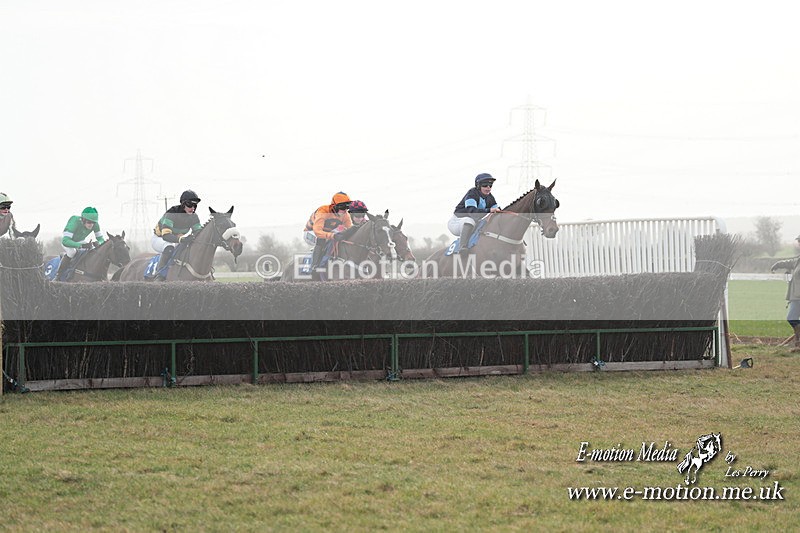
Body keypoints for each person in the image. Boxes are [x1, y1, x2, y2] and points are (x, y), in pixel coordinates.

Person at [152, 190, 203, 275]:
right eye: (190, 205)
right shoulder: (172, 213)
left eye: (194, 205)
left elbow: (198, 232)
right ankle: (159, 274)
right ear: (183, 204)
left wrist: (193, 236)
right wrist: (182, 239)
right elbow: (166, 236)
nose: (192, 208)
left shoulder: (194, 217)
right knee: (169, 248)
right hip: (160, 238)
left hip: (175, 240)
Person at [448, 173, 501, 253]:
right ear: (478, 186)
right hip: (457, 222)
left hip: (473, 221)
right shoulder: (472, 194)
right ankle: (462, 247)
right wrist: (489, 210)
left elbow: (497, 211)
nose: (488, 188)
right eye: (485, 185)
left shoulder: (490, 197)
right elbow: (473, 214)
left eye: (490, 185)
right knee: (470, 221)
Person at [56, 207, 106, 279]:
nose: (91, 225)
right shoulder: (74, 221)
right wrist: (81, 245)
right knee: (72, 253)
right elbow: (65, 241)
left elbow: (101, 239)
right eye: (89, 222)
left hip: (80, 241)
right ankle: (58, 275)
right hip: (68, 241)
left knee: (92, 250)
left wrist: (98, 243)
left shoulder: (95, 225)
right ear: (83, 220)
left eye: (93, 222)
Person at [307, 192, 352, 270]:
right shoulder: (323, 211)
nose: (345, 210)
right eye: (342, 208)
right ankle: (314, 266)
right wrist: (332, 236)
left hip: (327, 231)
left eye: (347, 207)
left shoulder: (345, 215)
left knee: (341, 236)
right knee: (321, 239)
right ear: (334, 206)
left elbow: (349, 230)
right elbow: (317, 231)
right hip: (311, 232)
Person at [771, 234, 800, 351]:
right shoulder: (798, 259)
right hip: (795, 296)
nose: (799, 244)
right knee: (792, 318)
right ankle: (798, 343)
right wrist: (778, 265)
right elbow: (790, 262)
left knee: (792, 318)